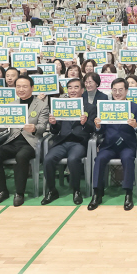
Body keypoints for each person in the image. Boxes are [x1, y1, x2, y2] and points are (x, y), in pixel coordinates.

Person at [0, 75, 50, 207]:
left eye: (24, 86)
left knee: (21, 157)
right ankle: (2, 191)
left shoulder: (42, 106)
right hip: (12, 140)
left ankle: (19, 193)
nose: (21, 89)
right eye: (18, 86)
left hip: (31, 142)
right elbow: (4, 127)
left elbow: (43, 126)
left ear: (32, 88)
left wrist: (34, 128)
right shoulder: (11, 105)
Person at [89, 78, 137, 211]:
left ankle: (128, 194)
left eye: (120, 90)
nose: (117, 93)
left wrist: (135, 125)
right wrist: (97, 126)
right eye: (114, 90)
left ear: (126, 91)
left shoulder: (135, 107)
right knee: (100, 159)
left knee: (127, 159)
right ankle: (97, 193)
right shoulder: (105, 106)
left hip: (127, 145)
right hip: (109, 145)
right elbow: (101, 131)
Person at [42, 78, 96, 206]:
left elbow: (93, 129)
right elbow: (55, 131)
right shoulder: (60, 105)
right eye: (70, 88)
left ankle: (76, 190)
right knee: (48, 159)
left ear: (82, 90)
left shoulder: (90, 107)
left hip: (79, 142)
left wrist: (85, 123)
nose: (73, 90)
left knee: (73, 159)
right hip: (61, 141)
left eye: (76, 87)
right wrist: (53, 124)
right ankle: (52, 191)